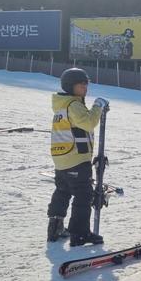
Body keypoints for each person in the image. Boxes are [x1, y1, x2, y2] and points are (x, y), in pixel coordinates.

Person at [47, 68, 108, 246]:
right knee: (83, 195)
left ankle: (55, 227)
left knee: (62, 191)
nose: (85, 88)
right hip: (76, 158)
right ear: (70, 86)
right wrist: (98, 106)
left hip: (62, 158)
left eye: (86, 84)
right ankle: (80, 234)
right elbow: (89, 123)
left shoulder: (61, 105)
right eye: (81, 84)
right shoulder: (73, 105)